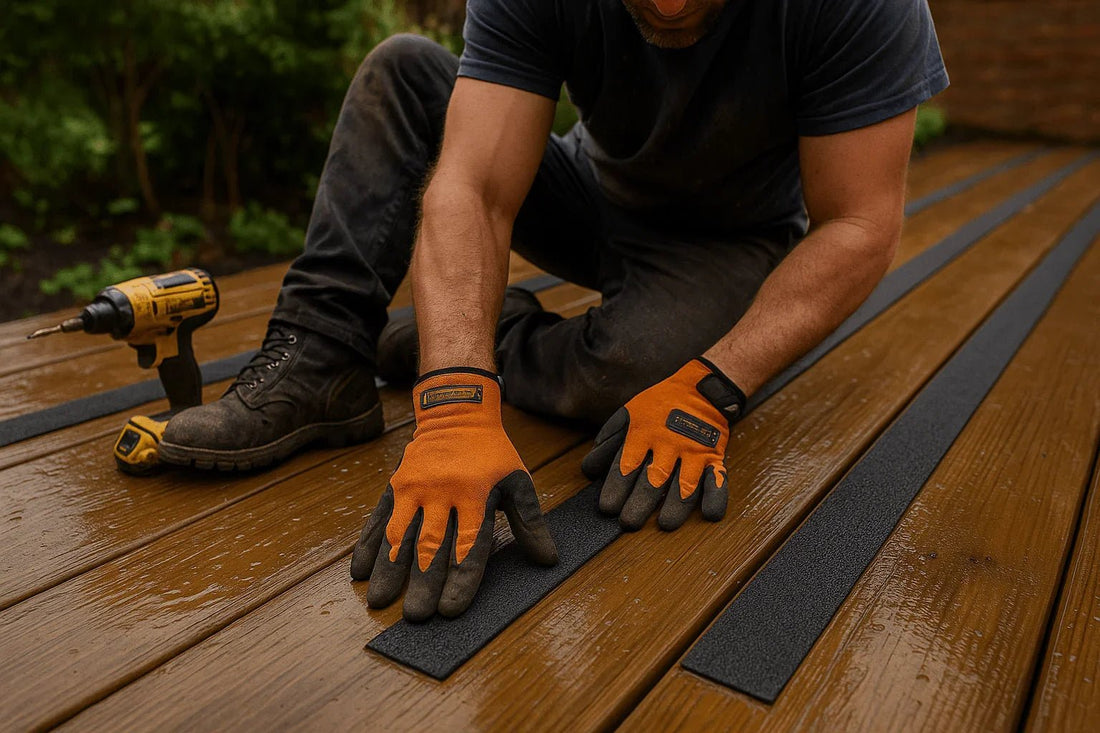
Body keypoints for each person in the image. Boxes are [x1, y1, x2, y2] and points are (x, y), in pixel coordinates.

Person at [160, 0, 948, 622]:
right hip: (589, 189)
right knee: (404, 72)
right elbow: (475, 185)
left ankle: (493, 328)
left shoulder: (862, 5)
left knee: (634, 380)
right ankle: (323, 354)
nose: (669, 6)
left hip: (725, 239)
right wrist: (456, 407)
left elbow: (858, 223)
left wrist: (714, 386)